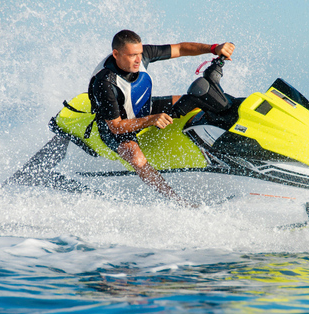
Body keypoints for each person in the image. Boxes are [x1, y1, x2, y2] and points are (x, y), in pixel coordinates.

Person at [88, 30, 235, 206]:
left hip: (143, 107)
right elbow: (116, 127)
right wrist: (151, 120)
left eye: (140, 53)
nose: (138, 59)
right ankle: (178, 201)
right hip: (115, 124)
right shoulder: (105, 83)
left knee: (197, 101)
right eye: (132, 55)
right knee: (137, 158)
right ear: (116, 54)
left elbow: (180, 49)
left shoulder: (142, 55)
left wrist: (213, 48)